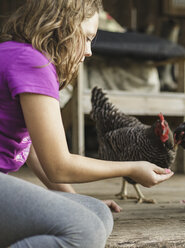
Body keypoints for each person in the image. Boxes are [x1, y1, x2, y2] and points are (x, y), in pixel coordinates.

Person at [0, 0, 174, 247]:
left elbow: (35, 151)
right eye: (87, 37)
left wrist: (72, 201)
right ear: (61, 27)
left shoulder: (14, 52)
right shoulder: (33, 62)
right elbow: (59, 166)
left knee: (97, 212)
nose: (90, 50)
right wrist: (130, 167)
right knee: (85, 231)